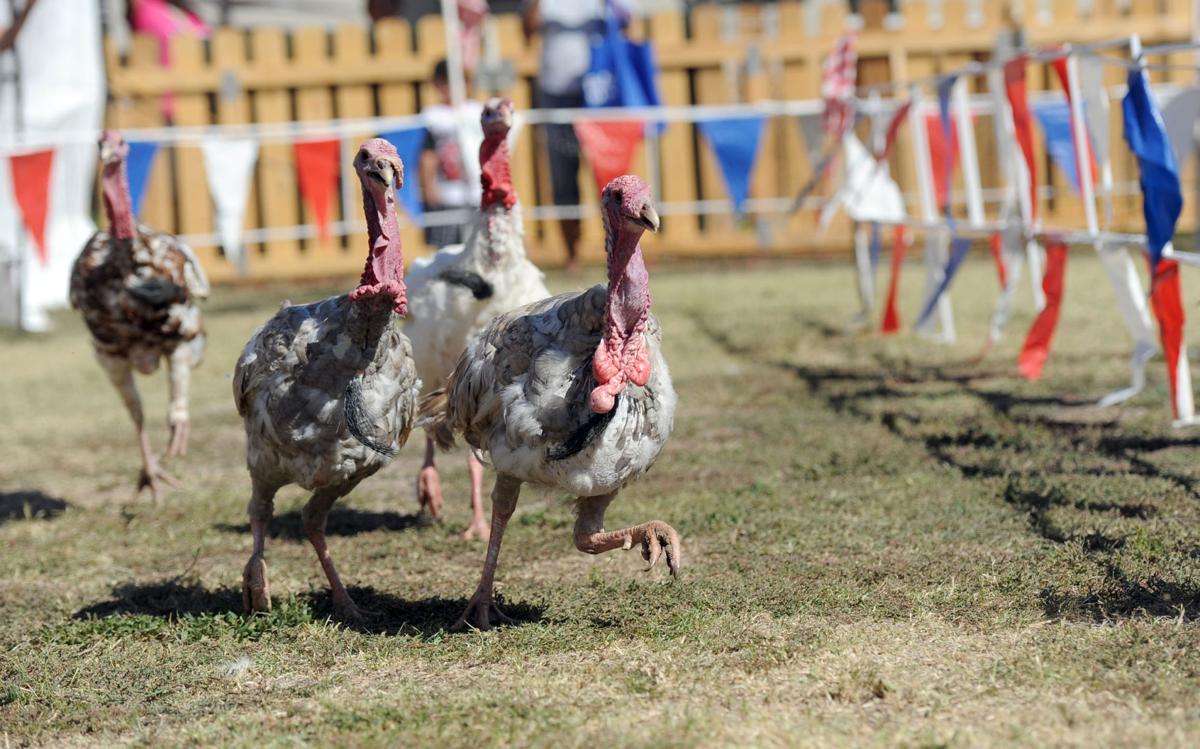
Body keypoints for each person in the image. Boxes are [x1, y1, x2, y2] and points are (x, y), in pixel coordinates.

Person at [523, 0, 630, 272]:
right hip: (556, 92)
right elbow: (527, 28)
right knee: (563, 177)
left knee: (608, 172)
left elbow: (626, 22)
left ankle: (621, 250)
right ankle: (572, 254)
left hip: (598, 91)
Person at [419, 58, 483, 248]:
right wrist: (428, 185)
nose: (451, 88)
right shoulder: (433, 116)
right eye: (445, 83)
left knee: (477, 244)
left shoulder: (477, 112)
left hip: (476, 190)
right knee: (447, 248)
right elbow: (427, 155)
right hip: (447, 190)